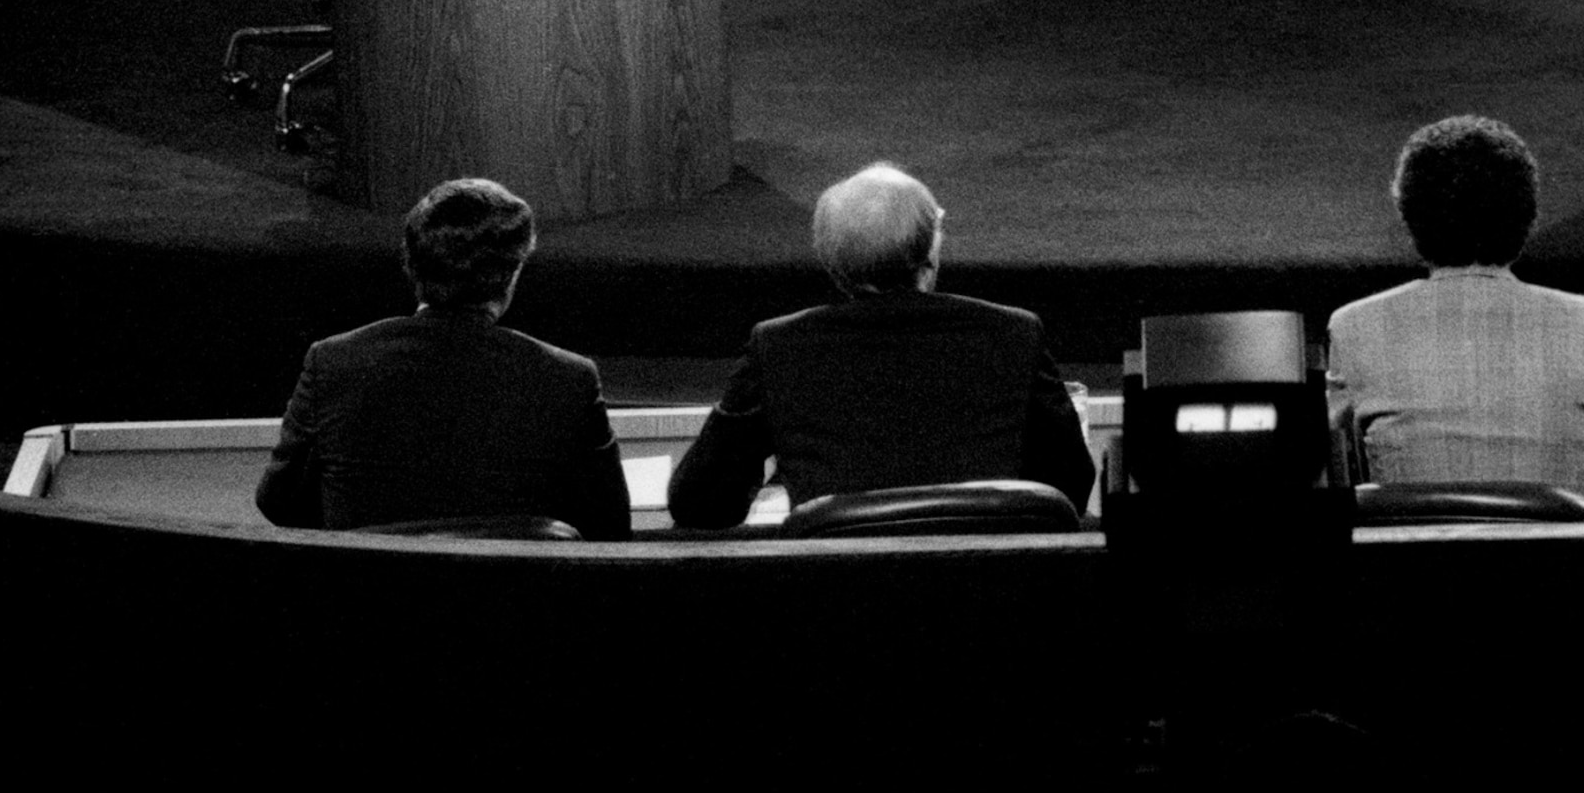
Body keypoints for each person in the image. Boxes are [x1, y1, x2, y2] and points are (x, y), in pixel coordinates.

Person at [667, 163, 1095, 527]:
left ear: (829, 260)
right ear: (932, 248)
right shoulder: (1014, 334)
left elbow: (700, 504)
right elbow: (1069, 488)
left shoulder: (779, 347)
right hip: (991, 607)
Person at [1325, 115, 1584, 518]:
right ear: (1526, 215)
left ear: (1410, 217)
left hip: (1411, 582)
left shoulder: (1353, 328)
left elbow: (1335, 480)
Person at [257, 176, 631, 536]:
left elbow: (280, 503)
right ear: (513, 274)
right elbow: (608, 526)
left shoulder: (333, 364)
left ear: (409, 262)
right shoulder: (569, 378)